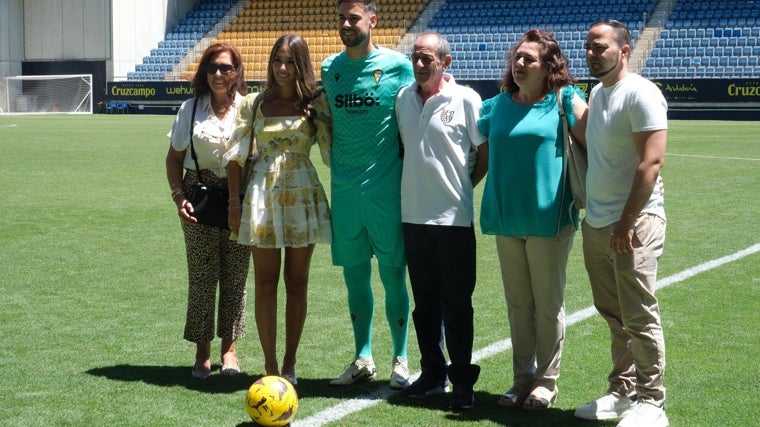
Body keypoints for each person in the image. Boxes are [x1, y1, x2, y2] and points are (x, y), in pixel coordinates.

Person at [477, 29, 588, 410]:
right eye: (518, 57)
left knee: (547, 303)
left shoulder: (565, 100)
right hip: (506, 218)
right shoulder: (494, 106)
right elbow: (476, 155)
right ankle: (521, 376)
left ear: (549, 67)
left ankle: (546, 381)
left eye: (530, 59)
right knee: (518, 304)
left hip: (550, 219)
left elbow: (601, 146)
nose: (520, 64)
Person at [574, 20, 669, 427]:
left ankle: (652, 401)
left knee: (638, 312)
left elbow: (651, 163)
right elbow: (587, 138)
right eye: (589, 47)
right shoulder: (597, 92)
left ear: (624, 51)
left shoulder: (641, 92)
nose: (592, 53)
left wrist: (625, 223)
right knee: (613, 312)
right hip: (597, 222)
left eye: (600, 47)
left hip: (633, 222)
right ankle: (623, 390)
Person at [223, 34, 332, 385]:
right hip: (262, 198)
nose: (282, 68)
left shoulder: (314, 104)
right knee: (265, 284)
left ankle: (290, 363)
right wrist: (234, 203)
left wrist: (325, 117)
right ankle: (270, 368)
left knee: (297, 283)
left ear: (301, 65)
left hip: (303, 197)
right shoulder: (253, 103)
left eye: (290, 61)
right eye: (277, 61)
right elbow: (235, 156)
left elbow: (330, 154)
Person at [320, 0, 414, 389]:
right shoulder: (330, 69)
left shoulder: (399, 67)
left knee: (394, 278)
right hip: (344, 192)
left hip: (386, 193)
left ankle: (402, 359)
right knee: (354, 280)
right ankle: (362, 357)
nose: (346, 24)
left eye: (353, 18)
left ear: (373, 20)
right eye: (341, 18)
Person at [395, 31, 489, 410]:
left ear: (446, 62)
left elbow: (483, 152)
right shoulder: (403, 99)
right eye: (415, 57)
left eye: (427, 58)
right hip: (412, 217)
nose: (419, 64)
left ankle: (462, 381)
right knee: (425, 303)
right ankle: (432, 373)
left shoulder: (465, 98)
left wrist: (464, 187)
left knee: (457, 303)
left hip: (453, 220)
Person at [165, 42, 250, 379]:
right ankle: (202, 351)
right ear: (204, 72)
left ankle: (229, 350)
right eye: (213, 67)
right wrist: (177, 195)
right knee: (202, 277)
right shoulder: (190, 108)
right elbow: (173, 159)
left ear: (237, 72)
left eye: (226, 67)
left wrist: (242, 202)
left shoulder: (248, 108)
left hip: (237, 200)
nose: (218, 73)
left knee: (236, 277)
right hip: (197, 198)